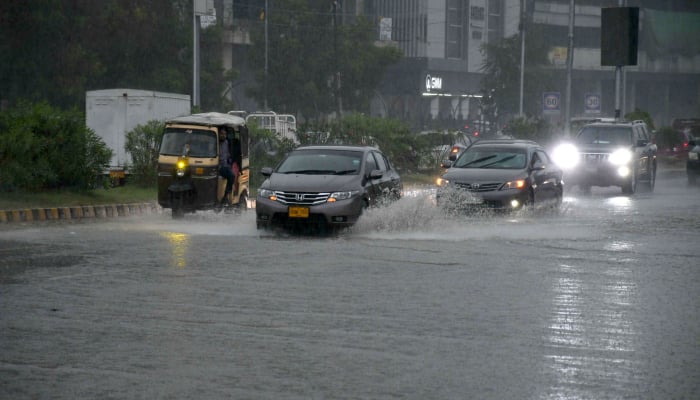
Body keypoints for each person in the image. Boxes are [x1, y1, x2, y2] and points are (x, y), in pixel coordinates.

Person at [218, 127, 235, 206]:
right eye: (222, 134)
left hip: (225, 165)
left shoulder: (226, 142)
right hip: (219, 166)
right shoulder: (216, 142)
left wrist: (229, 159)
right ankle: (225, 196)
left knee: (232, 175)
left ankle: (226, 195)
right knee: (230, 175)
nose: (223, 136)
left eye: (225, 134)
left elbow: (227, 154)